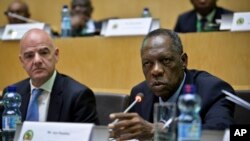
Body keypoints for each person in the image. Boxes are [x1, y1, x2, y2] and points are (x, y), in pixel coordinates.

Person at [108, 28, 235, 140]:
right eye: (147, 63)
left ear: (183, 61)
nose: (156, 70)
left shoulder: (212, 90)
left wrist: (158, 131)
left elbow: (220, 134)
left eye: (166, 60)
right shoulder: (140, 94)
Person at [0, 28, 99, 129]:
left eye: (43, 53)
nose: (37, 60)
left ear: (56, 55)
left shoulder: (78, 96)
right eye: (29, 56)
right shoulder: (11, 95)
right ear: (22, 62)